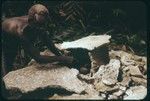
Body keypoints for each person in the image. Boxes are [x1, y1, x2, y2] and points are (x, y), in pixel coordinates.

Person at [2, 4, 75, 76]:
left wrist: (60, 55)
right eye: (39, 25)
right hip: (7, 38)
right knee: (8, 63)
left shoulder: (37, 22)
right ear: (31, 21)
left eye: (43, 24)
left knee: (39, 33)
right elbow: (38, 58)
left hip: (22, 30)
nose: (41, 27)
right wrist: (63, 59)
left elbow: (47, 41)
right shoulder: (21, 31)